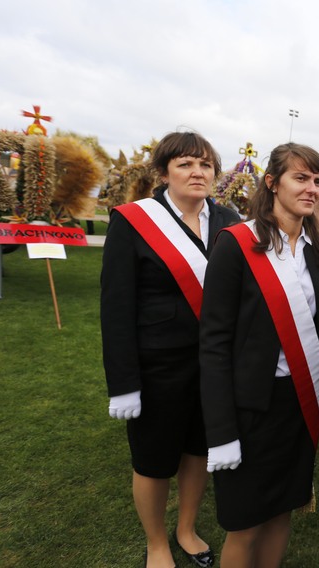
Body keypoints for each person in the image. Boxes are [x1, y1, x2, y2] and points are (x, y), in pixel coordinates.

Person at [101, 131, 239, 568]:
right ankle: (157, 542)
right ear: (163, 173)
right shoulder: (133, 220)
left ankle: (186, 527)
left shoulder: (230, 220)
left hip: (214, 366)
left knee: (199, 450)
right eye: (185, 164)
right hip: (157, 367)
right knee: (155, 461)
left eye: (205, 165)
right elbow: (116, 308)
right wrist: (124, 383)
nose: (197, 172)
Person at [199, 143, 319, 567]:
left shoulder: (318, 249)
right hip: (249, 408)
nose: (312, 188)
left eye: (318, 181)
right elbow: (213, 344)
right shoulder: (235, 245)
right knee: (244, 524)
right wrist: (221, 431)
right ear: (272, 183)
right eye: (301, 178)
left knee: (282, 511)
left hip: (298, 402)